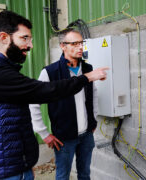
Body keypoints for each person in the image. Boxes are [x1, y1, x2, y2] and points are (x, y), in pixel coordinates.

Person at [0, 11, 108, 180]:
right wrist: (87, 78)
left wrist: (25, 164)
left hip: (14, 164)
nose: (30, 45)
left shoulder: (0, 70)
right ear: (4, 37)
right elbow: (44, 91)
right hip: (4, 169)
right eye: (24, 38)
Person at [29, 28, 98, 180]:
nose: (80, 47)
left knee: (85, 174)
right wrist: (44, 133)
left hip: (87, 135)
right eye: (74, 43)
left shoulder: (87, 69)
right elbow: (33, 103)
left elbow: (94, 94)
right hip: (64, 138)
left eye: (81, 43)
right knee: (62, 176)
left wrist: (93, 119)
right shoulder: (50, 72)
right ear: (62, 46)